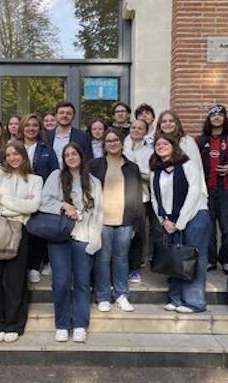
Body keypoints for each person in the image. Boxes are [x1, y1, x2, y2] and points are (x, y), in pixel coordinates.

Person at [39, 143, 103, 343]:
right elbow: (43, 201)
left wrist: (94, 241)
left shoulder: (93, 182)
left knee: (82, 283)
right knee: (61, 281)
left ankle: (80, 324)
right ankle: (62, 324)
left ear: (81, 156)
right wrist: (65, 205)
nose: (70, 157)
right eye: (66, 155)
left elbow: (98, 214)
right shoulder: (56, 177)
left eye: (74, 153)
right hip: (60, 236)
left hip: (83, 238)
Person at [0, 141, 43, 343]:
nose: (12, 158)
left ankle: (14, 324)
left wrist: (4, 200)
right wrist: (18, 206)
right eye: (8, 155)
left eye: (16, 153)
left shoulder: (35, 179)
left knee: (16, 280)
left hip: (19, 231)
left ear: (23, 155)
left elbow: (33, 206)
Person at [149, 134, 211, 313]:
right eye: (158, 144)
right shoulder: (156, 170)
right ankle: (175, 299)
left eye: (165, 143)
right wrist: (164, 221)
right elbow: (155, 198)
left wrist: (181, 221)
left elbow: (195, 192)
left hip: (194, 217)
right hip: (170, 220)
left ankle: (194, 302)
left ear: (173, 146)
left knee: (193, 258)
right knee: (175, 258)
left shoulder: (187, 164)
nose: (161, 146)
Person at [89, 128, 143, 313]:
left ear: (122, 143)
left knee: (121, 260)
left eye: (116, 140)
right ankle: (103, 296)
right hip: (101, 220)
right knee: (103, 259)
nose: (112, 143)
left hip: (125, 220)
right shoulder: (94, 165)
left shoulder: (132, 167)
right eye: (109, 141)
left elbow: (137, 197)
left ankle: (121, 295)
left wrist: (136, 224)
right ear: (104, 144)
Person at [196, 104, 228, 274]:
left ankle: (226, 259)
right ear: (209, 118)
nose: (216, 118)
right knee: (209, 227)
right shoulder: (200, 140)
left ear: (224, 118)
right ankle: (211, 260)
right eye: (213, 115)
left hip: (227, 190)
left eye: (220, 115)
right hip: (206, 190)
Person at [20, 113, 59, 283]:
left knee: (37, 233)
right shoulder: (14, 147)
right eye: (28, 125)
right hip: (17, 198)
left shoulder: (47, 150)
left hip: (40, 198)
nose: (31, 128)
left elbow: (55, 174)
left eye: (35, 125)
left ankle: (35, 266)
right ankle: (23, 266)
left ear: (40, 128)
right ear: (22, 127)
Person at [123, 118, 154, 284]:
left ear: (146, 131)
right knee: (122, 232)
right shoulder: (121, 146)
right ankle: (122, 266)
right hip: (120, 195)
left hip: (141, 197)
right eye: (133, 127)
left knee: (138, 233)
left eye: (140, 128)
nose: (136, 130)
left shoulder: (149, 151)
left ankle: (134, 268)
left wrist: (134, 169)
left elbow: (151, 174)